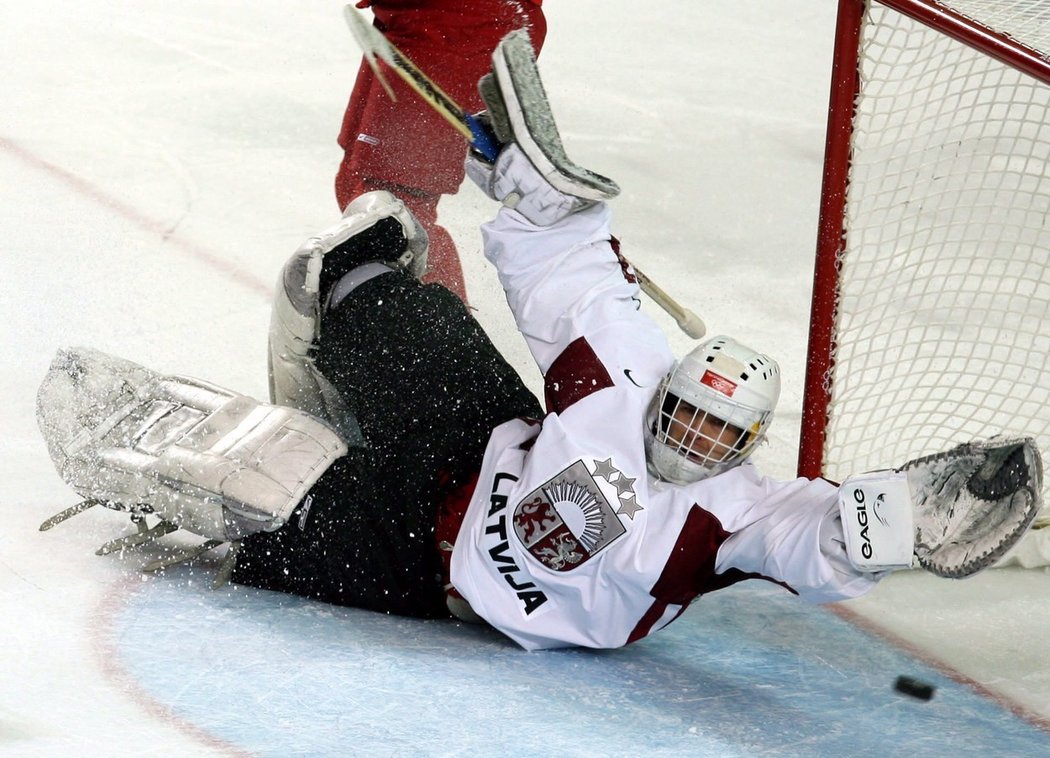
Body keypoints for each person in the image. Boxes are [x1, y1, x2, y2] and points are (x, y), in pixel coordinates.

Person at [36, 48, 1043, 652]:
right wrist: (541, 198)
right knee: (360, 270)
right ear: (669, 392)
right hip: (478, 449)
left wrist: (900, 520)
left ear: (741, 446)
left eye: (714, 432)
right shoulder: (628, 368)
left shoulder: (736, 515)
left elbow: (816, 534)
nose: (691, 438)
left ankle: (257, 466)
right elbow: (576, 278)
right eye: (686, 410)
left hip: (428, 565)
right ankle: (322, 378)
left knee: (258, 506)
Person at [334, 0, 546, 302]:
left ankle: (446, 340)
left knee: (396, 210)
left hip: (458, 24)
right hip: (411, 18)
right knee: (356, 185)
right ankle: (414, 323)